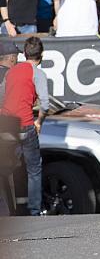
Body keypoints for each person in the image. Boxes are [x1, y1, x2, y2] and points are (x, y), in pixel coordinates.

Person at [1, 37, 49, 216]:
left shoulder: (11, 72)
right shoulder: (38, 73)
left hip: (7, 125)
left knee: (5, 168)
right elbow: (45, 104)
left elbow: (4, 95)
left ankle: (6, 210)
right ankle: (34, 211)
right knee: (34, 169)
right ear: (41, 54)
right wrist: (39, 122)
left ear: (24, 53)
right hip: (26, 124)